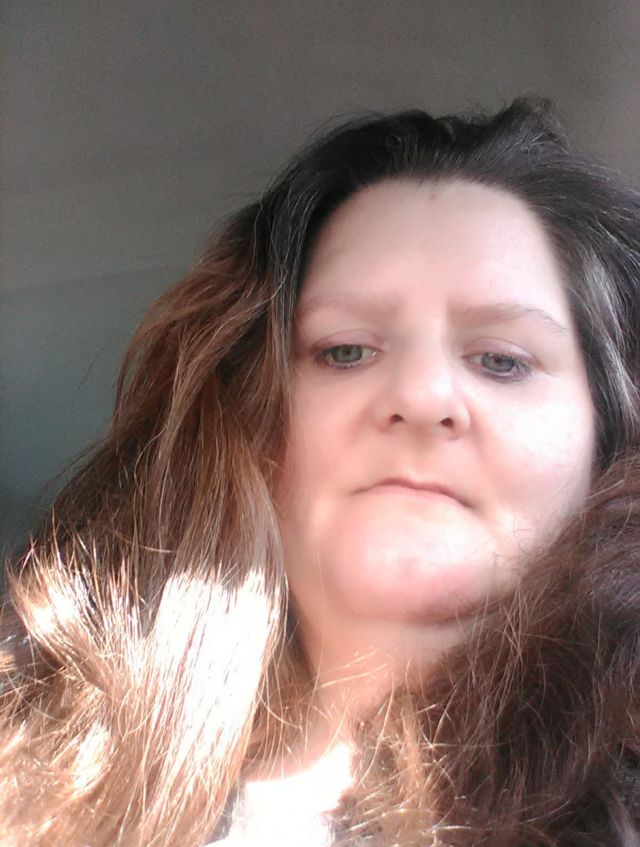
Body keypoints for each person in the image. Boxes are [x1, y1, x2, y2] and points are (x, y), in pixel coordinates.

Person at [2, 95, 640, 847]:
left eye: (502, 360)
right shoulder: (31, 767)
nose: (421, 395)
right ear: (250, 420)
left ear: (607, 437)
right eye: (345, 351)